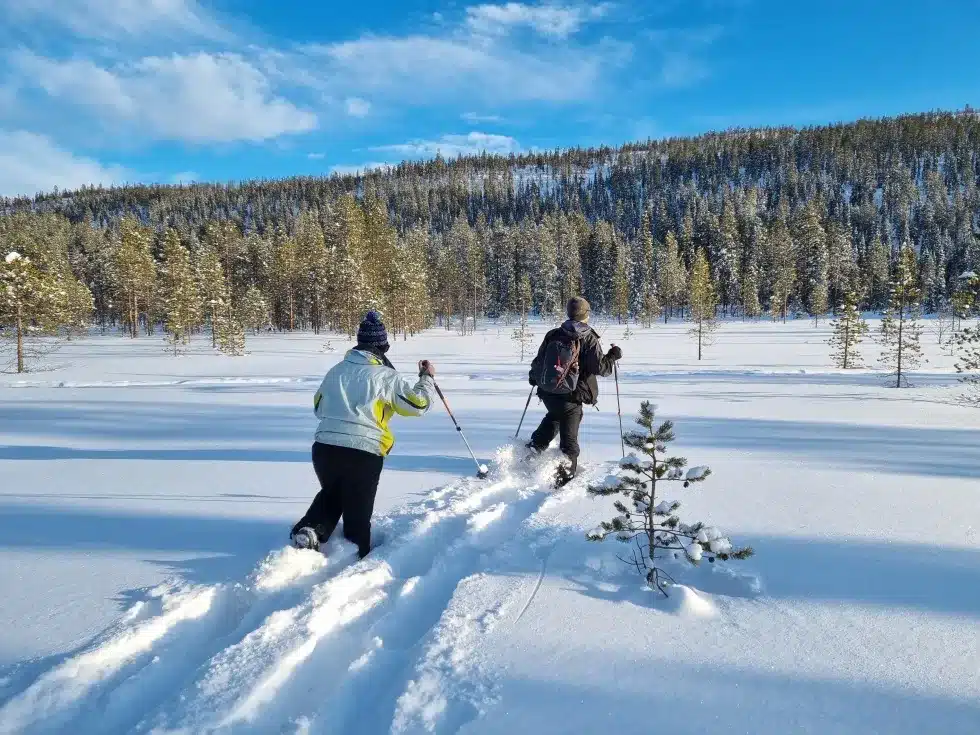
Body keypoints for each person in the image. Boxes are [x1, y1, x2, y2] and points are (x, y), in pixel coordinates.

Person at [290, 311, 436, 556]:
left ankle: (310, 530)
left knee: (333, 494)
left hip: (324, 448)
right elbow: (418, 405)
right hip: (363, 451)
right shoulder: (386, 377)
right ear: (382, 345)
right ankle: (354, 558)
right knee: (357, 508)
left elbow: (318, 407)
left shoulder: (335, 371)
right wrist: (426, 378)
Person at [527, 296, 622, 481]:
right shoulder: (589, 337)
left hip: (548, 392)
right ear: (586, 315)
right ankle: (565, 474)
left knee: (555, 415)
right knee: (569, 436)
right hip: (571, 395)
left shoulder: (553, 334)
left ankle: (533, 450)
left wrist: (534, 379)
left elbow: (538, 361)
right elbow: (600, 368)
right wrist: (613, 356)